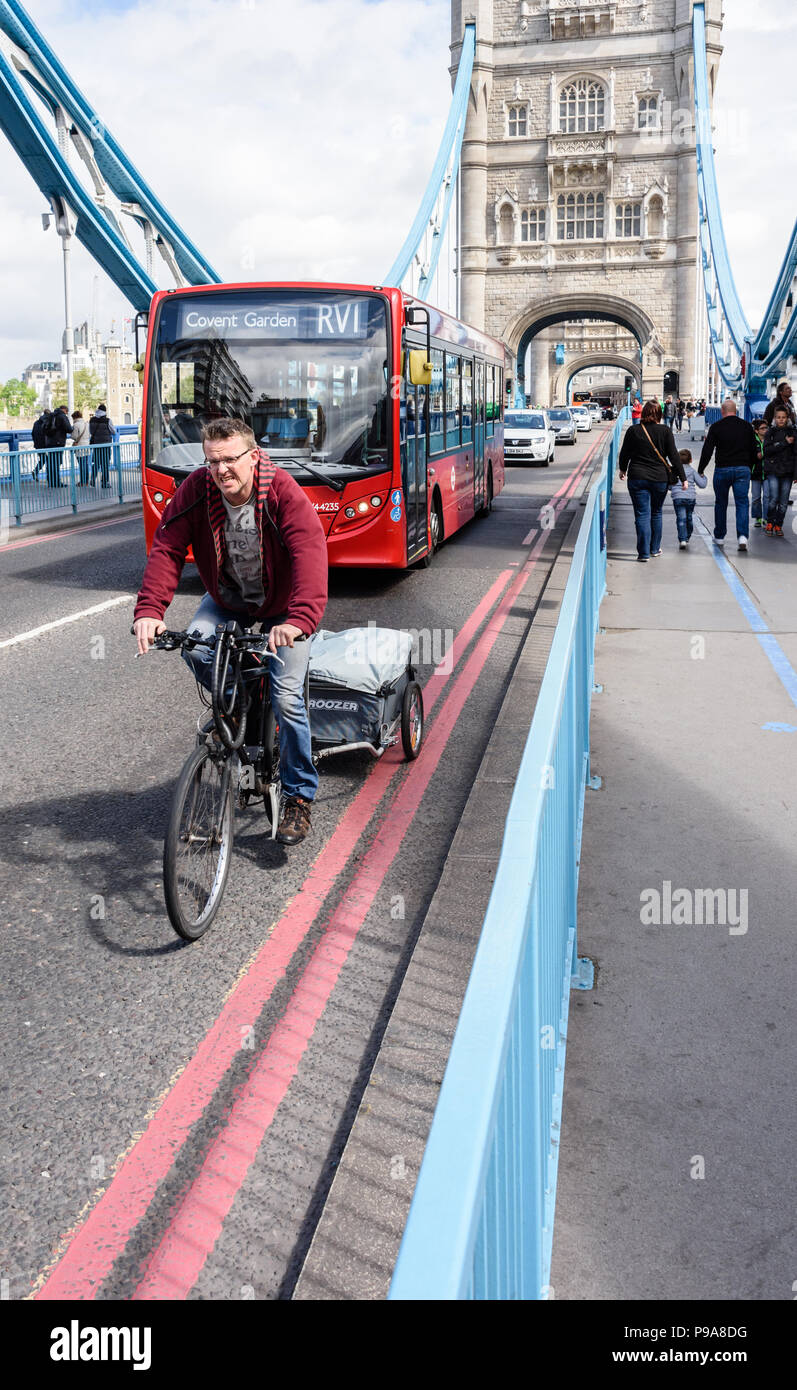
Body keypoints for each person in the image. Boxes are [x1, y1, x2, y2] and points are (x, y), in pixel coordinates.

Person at [133, 416, 328, 846]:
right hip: (228, 600)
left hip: (282, 607)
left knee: (288, 698)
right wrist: (150, 609)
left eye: (230, 459)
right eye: (211, 461)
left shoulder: (281, 493)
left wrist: (298, 620)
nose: (221, 470)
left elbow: (309, 552)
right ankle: (238, 704)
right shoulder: (198, 490)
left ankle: (299, 796)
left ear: (254, 456)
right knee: (198, 649)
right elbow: (167, 544)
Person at [619, 399, 687, 561]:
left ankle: (643, 554)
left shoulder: (633, 430)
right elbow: (674, 456)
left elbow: (624, 453)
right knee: (656, 513)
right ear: (660, 414)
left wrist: (623, 469)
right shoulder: (665, 431)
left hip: (637, 476)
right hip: (659, 478)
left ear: (643, 413)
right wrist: (683, 478)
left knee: (642, 515)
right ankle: (654, 549)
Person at [698, 398, 757, 550]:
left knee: (721, 503)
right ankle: (742, 537)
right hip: (742, 469)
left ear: (722, 411)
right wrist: (749, 467)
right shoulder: (746, 426)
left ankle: (719, 537)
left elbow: (707, 451)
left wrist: (701, 469)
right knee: (742, 503)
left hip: (722, 469)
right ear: (736, 411)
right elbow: (753, 450)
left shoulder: (716, 427)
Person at [762, 406, 796, 536]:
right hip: (773, 470)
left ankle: (778, 525)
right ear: (775, 418)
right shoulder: (770, 432)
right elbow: (767, 450)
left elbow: (795, 453)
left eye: (783, 417)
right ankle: (770, 521)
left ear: (787, 418)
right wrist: (784, 443)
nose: (781, 420)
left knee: (783, 502)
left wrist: (795, 473)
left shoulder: (793, 432)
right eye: (778, 417)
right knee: (773, 498)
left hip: (788, 471)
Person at [670, 447, 707, 548]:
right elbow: (702, 485)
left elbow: (670, 485)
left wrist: (673, 488)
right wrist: (704, 476)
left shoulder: (675, 470)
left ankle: (682, 539)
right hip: (690, 498)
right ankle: (687, 536)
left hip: (677, 497)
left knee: (681, 518)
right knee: (689, 518)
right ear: (690, 460)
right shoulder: (692, 471)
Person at [44, 405, 70, 486]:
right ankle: (57, 482)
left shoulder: (51, 415)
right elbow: (68, 429)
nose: (66, 413)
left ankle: (51, 482)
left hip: (49, 442)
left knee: (51, 463)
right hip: (58, 442)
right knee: (56, 463)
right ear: (64, 410)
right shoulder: (62, 416)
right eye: (67, 412)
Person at [89, 403, 114, 487]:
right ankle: (105, 482)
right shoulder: (108, 420)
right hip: (106, 445)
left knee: (96, 462)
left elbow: (91, 431)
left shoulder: (92, 420)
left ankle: (93, 479)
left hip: (96, 444)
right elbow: (113, 431)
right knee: (105, 463)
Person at [751, 418, 769, 527]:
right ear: (757, 431)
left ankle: (766, 518)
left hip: (767, 472)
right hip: (755, 472)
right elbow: (749, 455)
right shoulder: (752, 441)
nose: (765, 430)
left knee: (767, 496)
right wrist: (755, 456)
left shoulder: (769, 440)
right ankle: (757, 518)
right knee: (756, 497)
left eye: (766, 428)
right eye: (762, 428)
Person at [71, 410, 91, 485]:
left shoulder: (76, 425)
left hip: (79, 446)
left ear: (74, 417)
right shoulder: (87, 424)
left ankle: (82, 481)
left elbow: (74, 436)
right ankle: (86, 481)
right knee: (85, 464)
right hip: (87, 445)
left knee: (81, 465)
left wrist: (71, 434)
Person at [31, 408, 50, 480]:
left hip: (38, 445)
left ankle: (35, 471)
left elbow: (32, 433)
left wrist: (36, 442)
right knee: (50, 460)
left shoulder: (36, 422)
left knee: (43, 459)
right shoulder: (48, 421)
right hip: (46, 444)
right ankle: (49, 477)